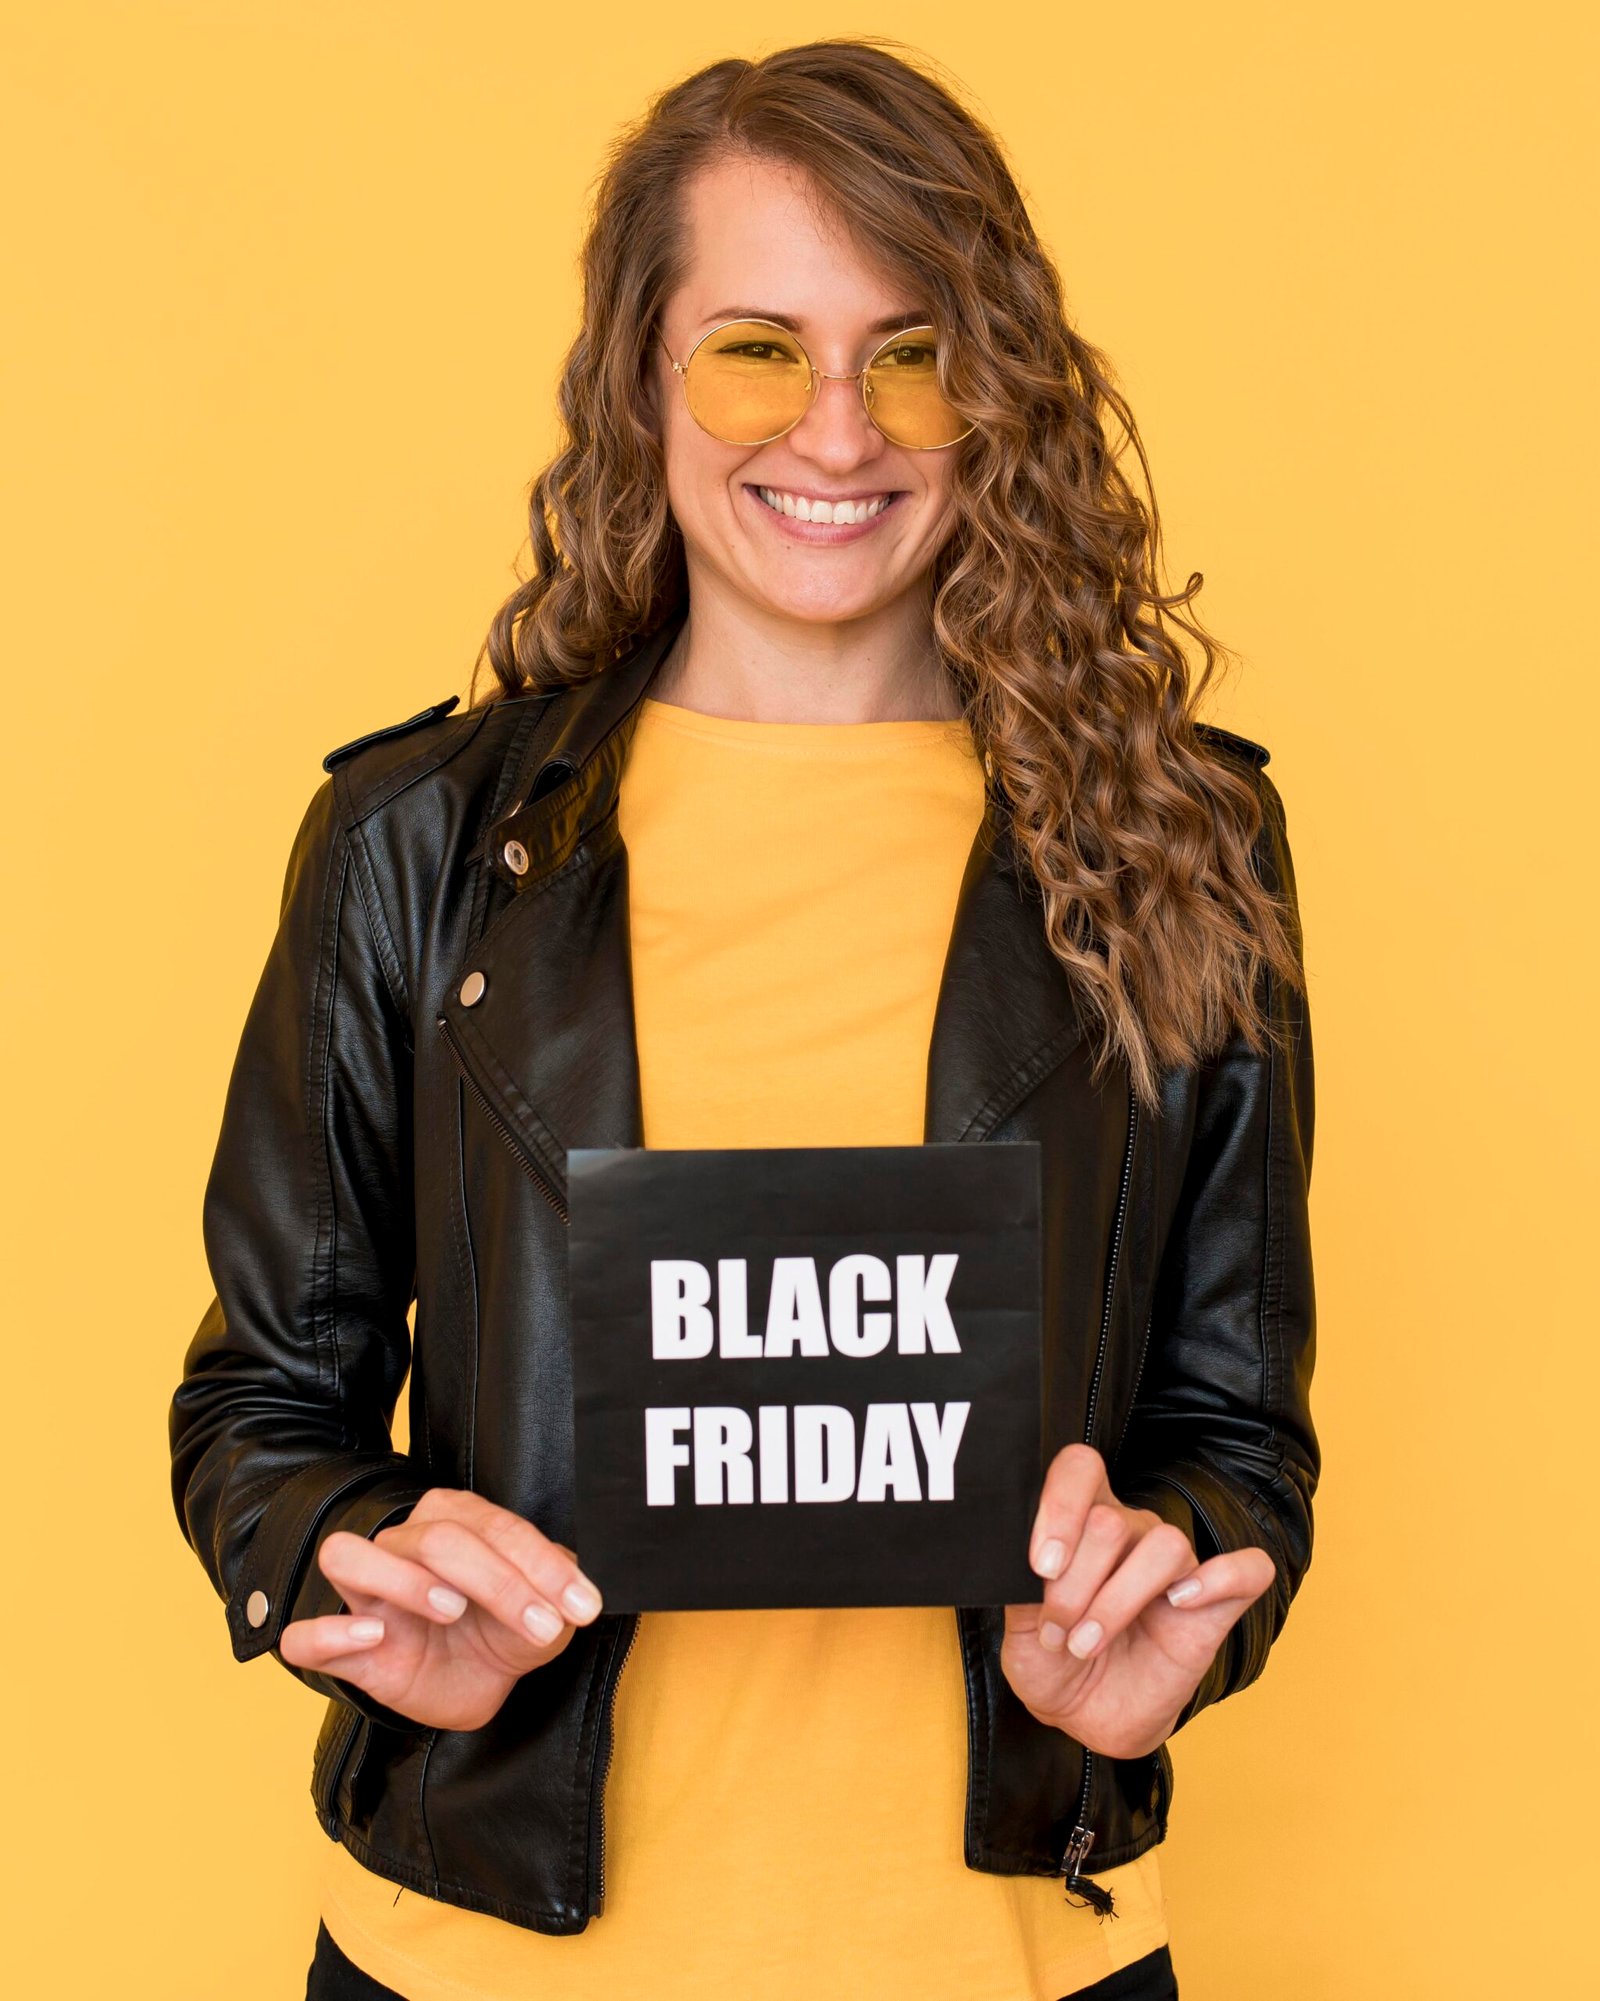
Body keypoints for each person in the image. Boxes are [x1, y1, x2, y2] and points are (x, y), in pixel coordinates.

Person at [168, 37, 1316, 2001]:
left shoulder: (1180, 839)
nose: (840, 431)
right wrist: (359, 1559)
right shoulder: (413, 846)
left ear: (997, 391)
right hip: (481, 1960)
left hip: (1006, 1957)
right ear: (640, 378)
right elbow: (260, 1409)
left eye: (912, 349)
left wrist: (1165, 1606)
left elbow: (1233, 1433)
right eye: (757, 349)